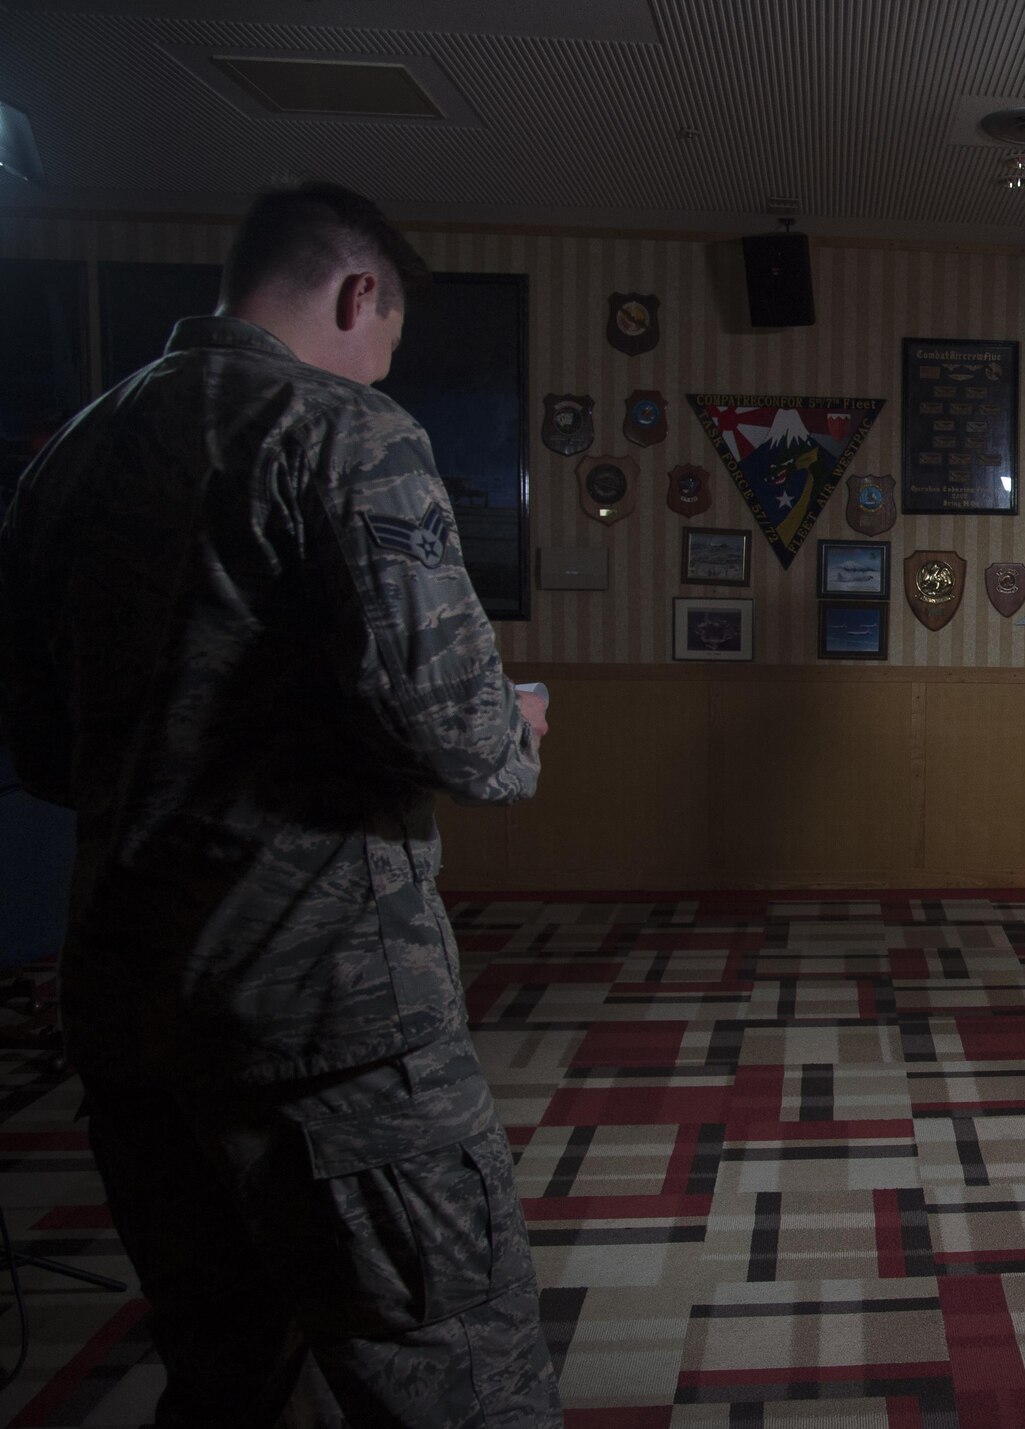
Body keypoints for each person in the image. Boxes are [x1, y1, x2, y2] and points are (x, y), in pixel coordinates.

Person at [0, 182, 561, 1427]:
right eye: (389, 337)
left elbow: (41, 753)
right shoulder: (347, 433)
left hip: (131, 1016)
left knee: (226, 1373)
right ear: (361, 294)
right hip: (333, 1035)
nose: (381, 361)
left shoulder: (73, 454)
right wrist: (513, 720)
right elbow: (470, 746)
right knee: (453, 1377)